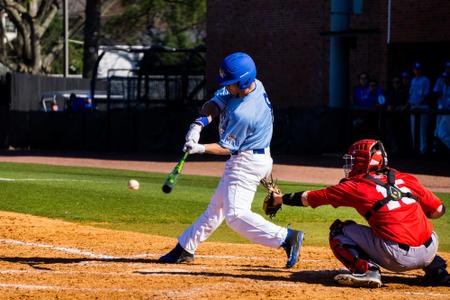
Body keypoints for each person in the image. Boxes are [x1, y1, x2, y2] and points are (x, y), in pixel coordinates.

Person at [158, 52, 304, 268]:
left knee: (235, 215)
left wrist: (199, 148)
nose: (228, 87)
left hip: (247, 162)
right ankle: (185, 248)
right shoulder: (254, 84)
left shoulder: (244, 113)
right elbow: (215, 103)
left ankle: (286, 237)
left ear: (243, 81)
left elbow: (226, 147)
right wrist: (198, 124)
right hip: (251, 157)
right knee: (216, 208)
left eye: (231, 83)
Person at [274, 139, 449, 288]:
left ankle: (368, 271)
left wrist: (280, 199)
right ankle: (438, 270)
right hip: (431, 249)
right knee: (417, 230)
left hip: (398, 258)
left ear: (364, 162)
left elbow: (309, 198)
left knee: (338, 231)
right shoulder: (405, 178)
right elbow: (438, 210)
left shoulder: (356, 186)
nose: (349, 164)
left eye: (353, 160)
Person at [409, 62, 431, 154]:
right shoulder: (413, 80)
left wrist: (417, 104)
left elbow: (427, 95)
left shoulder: (425, 80)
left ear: (421, 70)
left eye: (418, 69)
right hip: (413, 107)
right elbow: (411, 95)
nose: (417, 71)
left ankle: (423, 151)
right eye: (415, 69)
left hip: (422, 107)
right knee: (413, 130)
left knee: (423, 130)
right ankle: (415, 150)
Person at [433, 71, 450, 153]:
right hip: (443, 113)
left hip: (448, 113)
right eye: (444, 78)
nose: (445, 79)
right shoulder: (443, 86)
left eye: (447, 77)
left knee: (441, 133)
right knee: (439, 133)